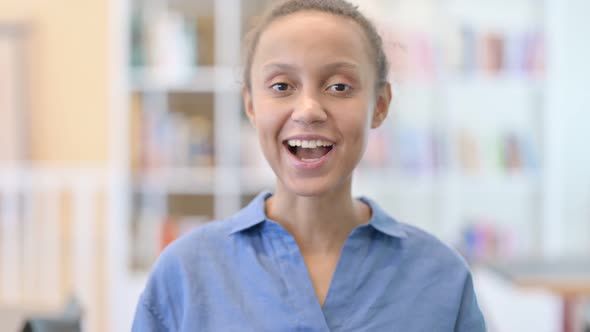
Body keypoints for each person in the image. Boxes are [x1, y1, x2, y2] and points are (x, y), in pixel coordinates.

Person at [132, 0, 487, 331]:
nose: (308, 110)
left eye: (338, 87)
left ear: (379, 105)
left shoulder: (442, 278)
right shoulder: (185, 273)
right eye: (282, 85)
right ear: (252, 105)